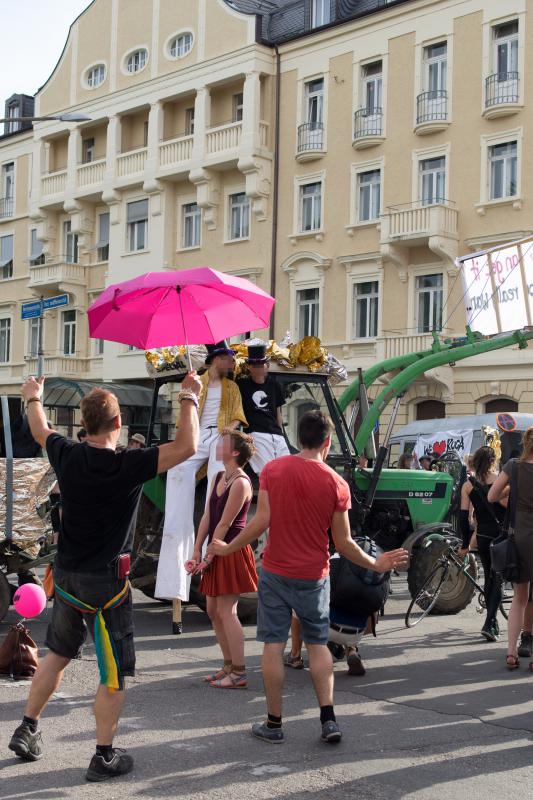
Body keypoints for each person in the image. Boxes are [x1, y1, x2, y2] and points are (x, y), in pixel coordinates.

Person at [8, 372, 201, 782]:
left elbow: (41, 428)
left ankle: (27, 727)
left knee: (58, 652)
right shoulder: (128, 464)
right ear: (118, 424)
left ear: (84, 423)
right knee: (113, 672)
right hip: (106, 584)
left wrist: (33, 397)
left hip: (67, 577)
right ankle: (104, 754)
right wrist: (189, 396)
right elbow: (188, 446)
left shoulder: (67, 453)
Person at [208, 410, 408, 744]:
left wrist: (228, 548)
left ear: (298, 438)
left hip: (275, 572)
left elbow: (261, 522)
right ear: (327, 441)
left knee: (273, 645)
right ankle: (328, 719)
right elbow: (343, 544)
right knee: (317, 645)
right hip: (314, 576)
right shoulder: (336, 483)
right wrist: (376, 563)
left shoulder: (273, 469)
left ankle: (273, 724)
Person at [155, 342, 247, 628]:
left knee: (220, 481)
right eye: (227, 359)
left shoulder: (232, 388)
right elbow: (185, 415)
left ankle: (209, 548)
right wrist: (188, 392)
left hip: (221, 436)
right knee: (177, 473)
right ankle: (174, 581)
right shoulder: (197, 381)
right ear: (216, 359)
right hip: (196, 437)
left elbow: (237, 416)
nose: (231, 364)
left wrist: (229, 430)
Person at [190, 430, 258, 689]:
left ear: (235, 452)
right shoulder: (219, 476)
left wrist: (207, 557)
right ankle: (228, 665)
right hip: (215, 549)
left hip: (230, 550)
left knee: (227, 612)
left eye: (223, 443)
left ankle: (239, 673)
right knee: (213, 611)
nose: (217, 444)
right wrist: (198, 550)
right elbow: (208, 517)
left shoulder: (241, 482)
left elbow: (225, 524)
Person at [488, 427, 533, 670]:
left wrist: (511, 490)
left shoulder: (513, 466)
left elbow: (492, 496)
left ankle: (511, 652)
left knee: (519, 598)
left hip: (519, 538)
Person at [458, 446, 506, 642]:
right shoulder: (501, 480)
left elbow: (462, 518)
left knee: (489, 576)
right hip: (502, 535)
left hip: (484, 536)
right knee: (499, 578)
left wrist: (464, 544)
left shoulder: (468, 485)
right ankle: (490, 622)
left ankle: (491, 621)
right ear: (493, 461)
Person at [237, 342, 290, 474]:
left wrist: (280, 433)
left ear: (267, 366)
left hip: (276, 434)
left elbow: (278, 413)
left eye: (261, 365)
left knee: (288, 470)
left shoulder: (274, 385)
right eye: (255, 365)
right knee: (267, 471)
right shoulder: (242, 385)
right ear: (249, 367)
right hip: (255, 434)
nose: (259, 368)